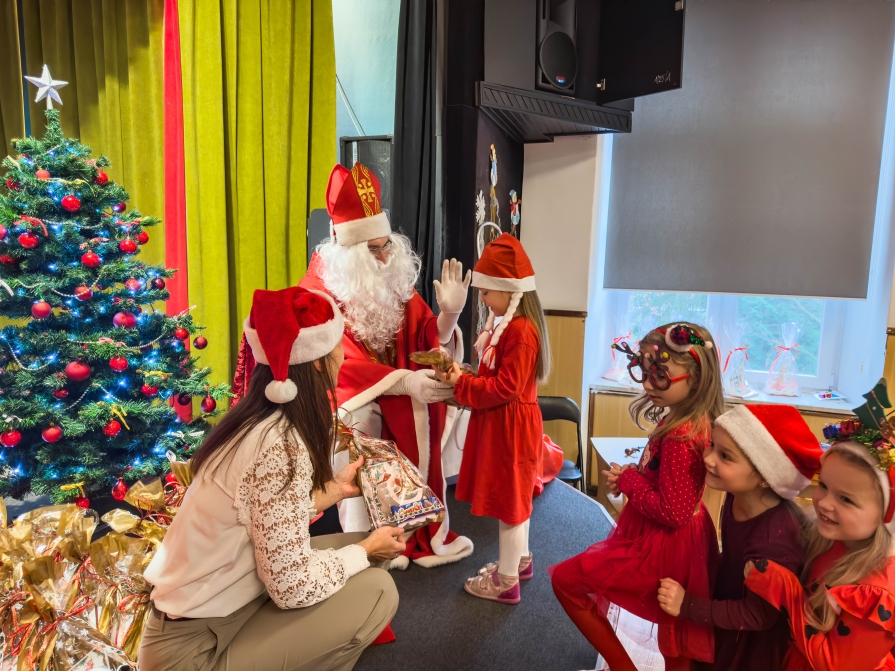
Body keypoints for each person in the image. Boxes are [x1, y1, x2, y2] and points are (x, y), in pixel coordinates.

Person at [141, 287, 404, 671]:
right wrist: (365, 551)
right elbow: (293, 587)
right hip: (195, 651)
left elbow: (259, 512)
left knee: (357, 554)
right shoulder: (279, 445)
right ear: (317, 362)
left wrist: (334, 491)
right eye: (338, 345)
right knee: (378, 589)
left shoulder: (257, 420)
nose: (344, 355)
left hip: (219, 614)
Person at [233, 161, 474, 569]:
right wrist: (404, 382)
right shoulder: (318, 294)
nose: (384, 257)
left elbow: (422, 333)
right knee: (361, 423)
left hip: (391, 391)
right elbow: (334, 369)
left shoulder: (390, 279)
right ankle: (363, 542)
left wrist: (449, 317)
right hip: (336, 403)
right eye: (373, 250)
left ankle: (412, 526)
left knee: (427, 407)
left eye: (386, 245)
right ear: (346, 251)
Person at [550, 323, 724, 671]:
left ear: (696, 378)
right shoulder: (686, 420)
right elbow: (671, 486)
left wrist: (631, 480)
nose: (647, 385)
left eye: (659, 376)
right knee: (676, 637)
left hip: (666, 545)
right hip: (680, 539)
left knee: (566, 582)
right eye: (644, 374)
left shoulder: (680, 435)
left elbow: (673, 512)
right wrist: (638, 475)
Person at [657, 404, 823, 670]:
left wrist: (687, 605)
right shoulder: (737, 496)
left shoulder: (773, 541)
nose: (708, 458)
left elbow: (758, 615)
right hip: (728, 615)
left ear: (765, 477)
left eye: (725, 456)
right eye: (712, 445)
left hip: (750, 647)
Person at [434, 233, 551, 604]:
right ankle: (520, 561)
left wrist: (463, 383)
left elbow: (505, 388)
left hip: (510, 430)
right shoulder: (510, 326)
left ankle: (506, 582)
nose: (482, 299)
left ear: (508, 290)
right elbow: (500, 379)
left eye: (486, 292)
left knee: (510, 505)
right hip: (507, 425)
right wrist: (465, 376)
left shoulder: (521, 331)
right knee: (515, 500)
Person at [743, 437, 895, 671]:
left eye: (846, 499)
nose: (824, 503)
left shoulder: (877, 592)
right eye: (823, 485)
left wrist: (786, 589)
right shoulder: (831, 537)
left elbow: (833, 664)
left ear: (886, 516)